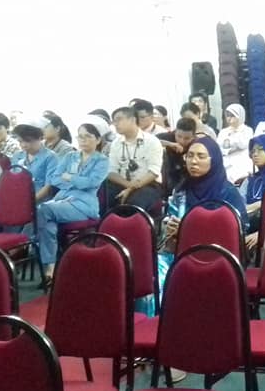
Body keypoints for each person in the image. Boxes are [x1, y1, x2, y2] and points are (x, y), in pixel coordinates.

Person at [36, 117, 110, 287]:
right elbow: (55, 179)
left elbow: (92, 182)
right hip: (62, 201)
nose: (83, 140)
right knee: (47, 222)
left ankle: (51, 266)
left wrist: (70, 178)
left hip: (84, 205)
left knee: (43, 210)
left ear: (98, 139)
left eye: (88, 136)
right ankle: (52, 268)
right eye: (80, 136)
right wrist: (76, 181)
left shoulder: (102, 160)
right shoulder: (70, 156)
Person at [105, 106, 164, 212]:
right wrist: (128, 186)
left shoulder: (151, 141)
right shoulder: (116, 143)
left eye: (118, 119)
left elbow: (154, 172)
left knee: (134, 203)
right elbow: (111, 172)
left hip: (148, 184)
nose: (115, 124)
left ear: (132, 119)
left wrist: (131, 189)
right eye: (114, 121)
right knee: (102, 196)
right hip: (123, 183)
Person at [9, 118, 58, 205]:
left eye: (28, 141)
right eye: (20, 141)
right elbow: (12, 181)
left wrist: (29, 202)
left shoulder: (50, 157)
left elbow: (48, 187)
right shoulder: (17, 156)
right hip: (18, 200)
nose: (23, 145)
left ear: (39, 138)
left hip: (40, 203)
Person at [156, 118, 197, 196]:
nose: (182, 141)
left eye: (187, 138)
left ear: (193, 136)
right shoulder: (168, 136)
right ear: (175, 131)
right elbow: (150, 141)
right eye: (179, 136)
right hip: (168, 171)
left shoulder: (197, 143)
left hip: (188, 174)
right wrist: (170, 144)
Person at [218, 103, 254, 183]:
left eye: (232, 115)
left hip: (242, 162)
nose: (229, 118)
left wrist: (230, 145)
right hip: (227, 163)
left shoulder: (248, 130)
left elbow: (243, 145)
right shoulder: (223, 132)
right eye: (227, 115)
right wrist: (232, 146)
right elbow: (220, 147)